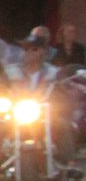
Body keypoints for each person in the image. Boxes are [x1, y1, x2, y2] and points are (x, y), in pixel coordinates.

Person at [6, 29, 80, 169]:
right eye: (26, 49)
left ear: (44, 52)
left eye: (34, 49)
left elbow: (65, 91)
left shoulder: (54, 73)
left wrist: (65, 90)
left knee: (63, 124)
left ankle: (71, 165)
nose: (29, 52)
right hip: (14, 115)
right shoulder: (11, 71)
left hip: (45, 115)